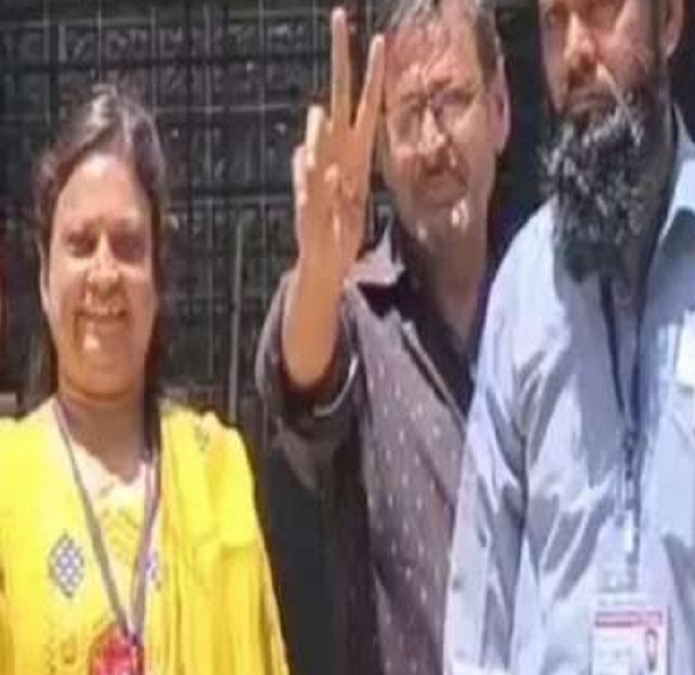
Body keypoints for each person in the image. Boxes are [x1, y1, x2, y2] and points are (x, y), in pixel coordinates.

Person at [444, 0, 695, 671]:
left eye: (600, 11)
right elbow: (480, 609)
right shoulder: (525, 284)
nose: (575, 51)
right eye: (554, 21)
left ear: (670, 23)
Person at [0, 86, 289, 674]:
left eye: (128, 245)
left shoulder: (213, 471)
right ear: (45, 277)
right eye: (80, 243)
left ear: (158, 277)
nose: (104, 272)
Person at [254, 1, 509, 672]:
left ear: (501, 109)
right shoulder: (357, 316)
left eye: (452, 101)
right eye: (408, 115)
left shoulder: (554, 308)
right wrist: (318, 269)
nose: (432, 143)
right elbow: (302, 382)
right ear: (382, 158)